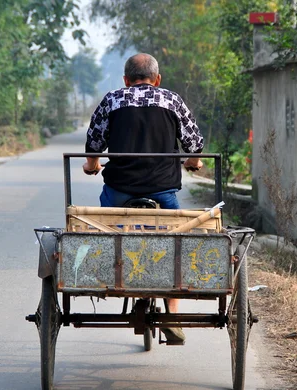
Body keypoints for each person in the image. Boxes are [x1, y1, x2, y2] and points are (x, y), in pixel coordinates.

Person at [83, 53, 204, 343]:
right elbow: (194, 144)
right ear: (157, 79)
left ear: (126, 80)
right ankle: (172, 315)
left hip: (120, 189)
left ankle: (111, 275)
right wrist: (193, 163)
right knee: (176, 241)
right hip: (162, 190)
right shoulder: (171, 100)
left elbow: (93, 144)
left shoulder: (112, 100)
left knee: (107, 233)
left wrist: (92, 165)